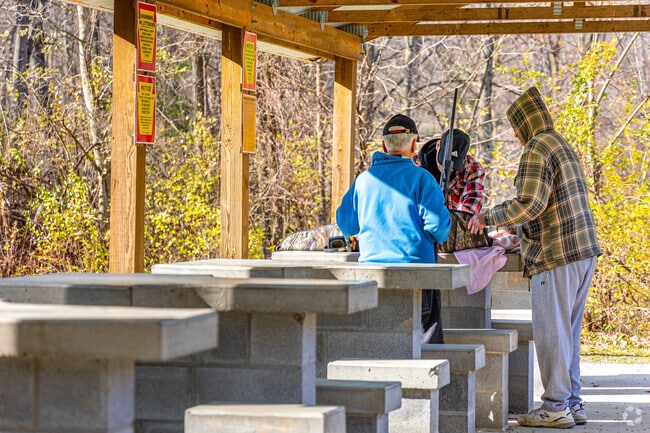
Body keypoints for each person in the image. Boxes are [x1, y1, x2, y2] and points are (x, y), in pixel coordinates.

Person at [468, 87, 601, 429]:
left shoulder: (537, 148)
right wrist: (522, 234)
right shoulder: (560, 143)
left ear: (526, 124)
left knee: (552, 333)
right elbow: (547, 205)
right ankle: (572, 402)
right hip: (582, 251)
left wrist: (489, 216)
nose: (515, 135)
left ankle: (555, 407)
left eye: (516, 129)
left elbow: (530, 203)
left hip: (557, 254)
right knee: (567, 333)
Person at [336, 113, 451, 263]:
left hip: (370, 274)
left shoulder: (363, 181)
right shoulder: (423, 178)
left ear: (384, 146)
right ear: (413, 144)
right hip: (418, 272)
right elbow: (439, 227)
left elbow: (346, 226)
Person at [415, 129, 487, 343]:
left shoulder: (472, 168)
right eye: (445, 163)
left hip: (449, 245)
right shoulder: (416, 167)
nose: (449, 171)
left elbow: (466, 216)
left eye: (456, 166)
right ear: (438, 147)